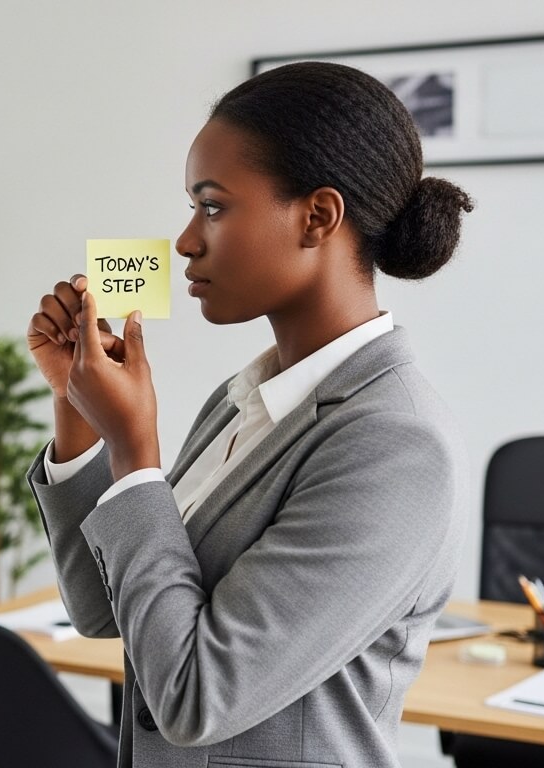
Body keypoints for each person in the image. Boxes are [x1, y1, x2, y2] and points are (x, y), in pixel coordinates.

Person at [26, 61, 473, 767]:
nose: (184, 242)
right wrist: (80, 415)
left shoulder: (395, 443)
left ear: (317, 217)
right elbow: (103, 610)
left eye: (212, 206)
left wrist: (135, 450)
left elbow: (196, 696)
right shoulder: (242, 402)